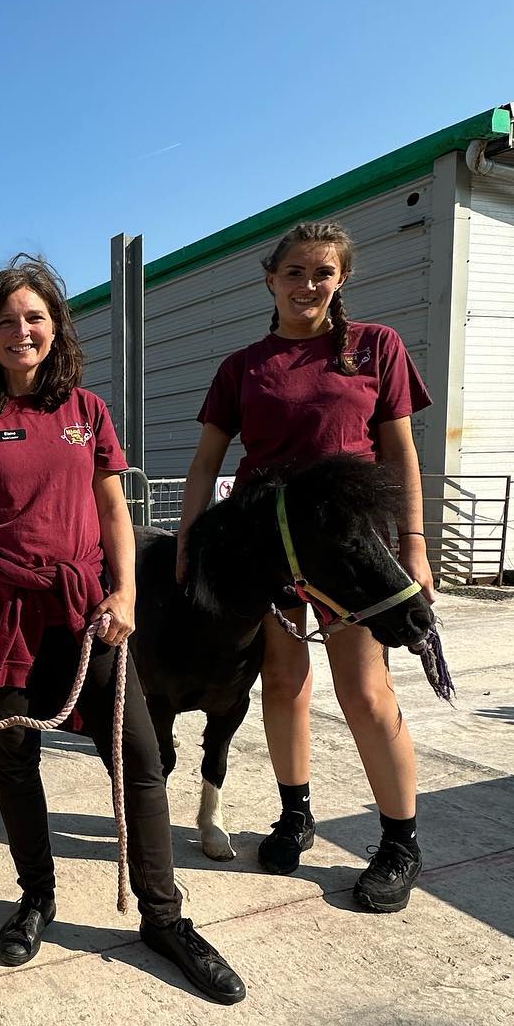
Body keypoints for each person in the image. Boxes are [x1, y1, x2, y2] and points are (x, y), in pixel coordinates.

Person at [0, 254, 245, 1004]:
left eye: (34, 317)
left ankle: (165, 918)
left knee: (139, 756)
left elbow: (111, 512)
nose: (21, 331)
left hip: (86, 611)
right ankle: (37, 897)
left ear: (56, 328)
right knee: (13, 763)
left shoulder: (87, 413)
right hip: (1, 618)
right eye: (6, 321)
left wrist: (127, 592)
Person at [177, 220, 435, 911]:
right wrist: (188, 541)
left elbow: (401, 454)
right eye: (294, 272)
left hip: (349, 547)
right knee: (284, 681)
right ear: (270, 279)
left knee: (364, 690)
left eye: (322, 272)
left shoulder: (375, 348)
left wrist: (414, 541)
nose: (308, 285)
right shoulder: (243, 367)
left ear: (341, 279)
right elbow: (206, 463)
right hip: (271, 547)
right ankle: (295, 813)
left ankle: (399, 839)